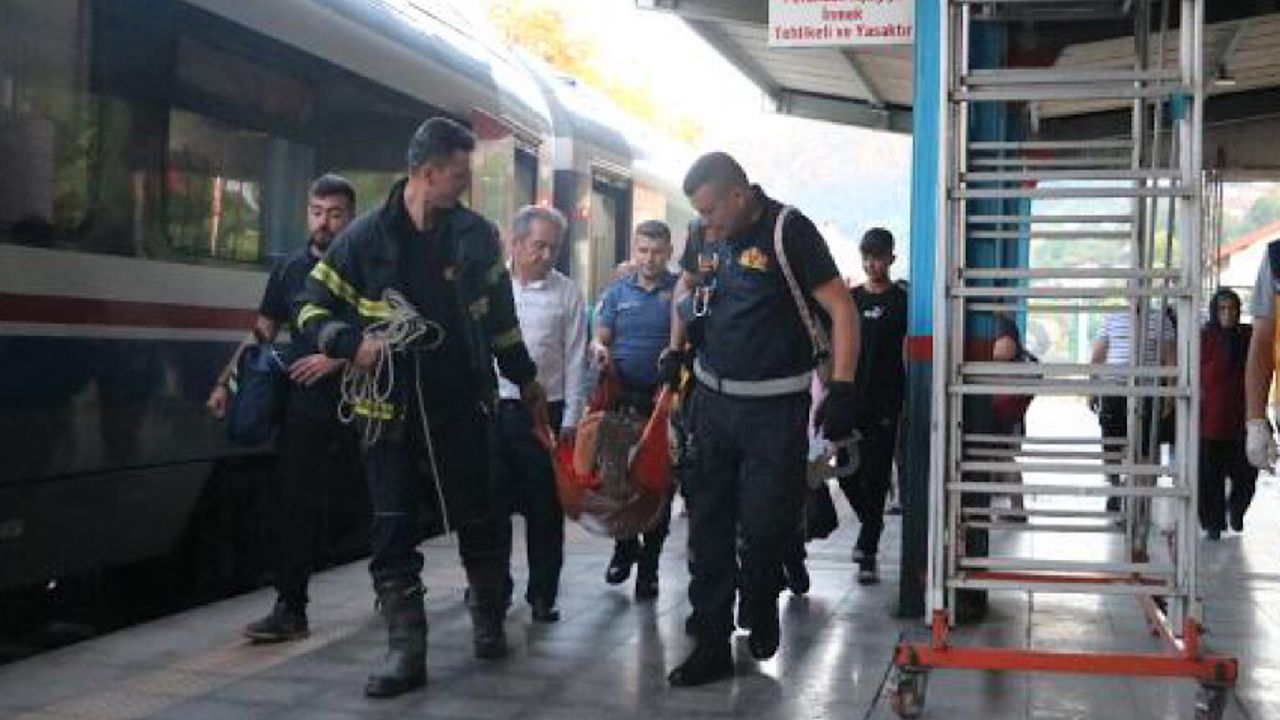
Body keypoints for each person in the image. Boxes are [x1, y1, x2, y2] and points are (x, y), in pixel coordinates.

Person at [295, 118, 547, 698]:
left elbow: (501, 320)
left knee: (480, 515)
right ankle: (405, 649)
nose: (466, 185)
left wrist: (526, 382)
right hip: (388, 413)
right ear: (427, 173)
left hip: (461, 406)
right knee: (391, 528)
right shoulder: (361, 240)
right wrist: (348, 344)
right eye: (459, 175)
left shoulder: (476, 237)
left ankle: (488, 616)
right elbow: (309, 310)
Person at [661, 152, 860, 687]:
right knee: (707, 528)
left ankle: (762, 596)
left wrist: (842, 386)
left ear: (739, 196)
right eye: (698, 213)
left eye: (711, 210)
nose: (705, 223)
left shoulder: (787, 231)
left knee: (768, 523)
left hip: (775, 408)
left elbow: (842, 307)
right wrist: (675, 350)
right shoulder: (702, 235)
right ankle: (709, 643)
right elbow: (684, 289)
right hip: (711, 403)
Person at [206, 174, 359, 643]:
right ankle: (290, 608)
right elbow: (263, 332)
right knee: (295, 505)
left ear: (350, 218)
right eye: (317, 212)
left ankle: (393, 586)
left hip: (361, 404)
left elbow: (387, 331)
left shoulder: (369, 268)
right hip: (303, 405)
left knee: (364, 500)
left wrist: (337, 359)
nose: (324, 223)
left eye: (334, 214)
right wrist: (225, 383)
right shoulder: (290, 270)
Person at [492, 205, 586, 623]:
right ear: (515, 243)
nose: (546, 255)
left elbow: (577, 359)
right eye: (538, 245)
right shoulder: (491, 288)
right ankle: (491, 587)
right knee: (490, 507)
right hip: (493, 409)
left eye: (554, 247)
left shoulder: (567, 293)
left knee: (543, 510)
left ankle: (543, 594)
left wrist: (570, 422)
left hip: (542, 415)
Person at [592, 219, 678, 601]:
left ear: (669, 253)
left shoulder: (680, 292)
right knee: (616, 482)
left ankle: (650, 567)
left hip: (665, 403)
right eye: (643, 250)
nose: (649, 258)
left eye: (657, 251)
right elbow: (602, 335)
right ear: (634, 249)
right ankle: (624, 548)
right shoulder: (616, 293)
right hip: (620, 400)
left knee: (658, 486)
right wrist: (599, 348)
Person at [835, 228, 907, 585]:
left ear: (892, 258)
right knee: (846, 471)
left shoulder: (904, 301)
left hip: (886, 402)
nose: (871, 264)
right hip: (850, 400)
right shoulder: (849, 301)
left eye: (878, 257)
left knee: (876, 476)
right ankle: (870, 520)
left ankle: (868, 548)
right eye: (866, 257)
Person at [1090, 308, 1175, 512]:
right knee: (1111, 444)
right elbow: (1098, 355)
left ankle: (1139, 498)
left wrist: (1170, 395)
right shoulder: (1112, 317)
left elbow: (1171, 358)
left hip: (1147, 391)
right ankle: (1115, 487)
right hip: (1114, 389)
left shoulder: (1160, 318)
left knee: (1145, 446)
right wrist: (1092, 387)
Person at [1200, 288, 1255, 539]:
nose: (1228, 313)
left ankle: (1236, 510)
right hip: (1211, 420)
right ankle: (1213, 524)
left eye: (1232, 308)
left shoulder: (1248, 335)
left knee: (1247, 475)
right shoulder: (1205, 337)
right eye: (1222, 308)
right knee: (1211, 479)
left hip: (1242, 419)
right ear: (1214, 311)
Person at [991, 315, 1037, 521]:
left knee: (1002, 454)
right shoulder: (1001, 321)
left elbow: (1005, 350)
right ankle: (1016, 507)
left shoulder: (998, 323)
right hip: (1005, 398)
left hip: (1002, 400)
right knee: (1001, 454)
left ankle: (1018, 508)